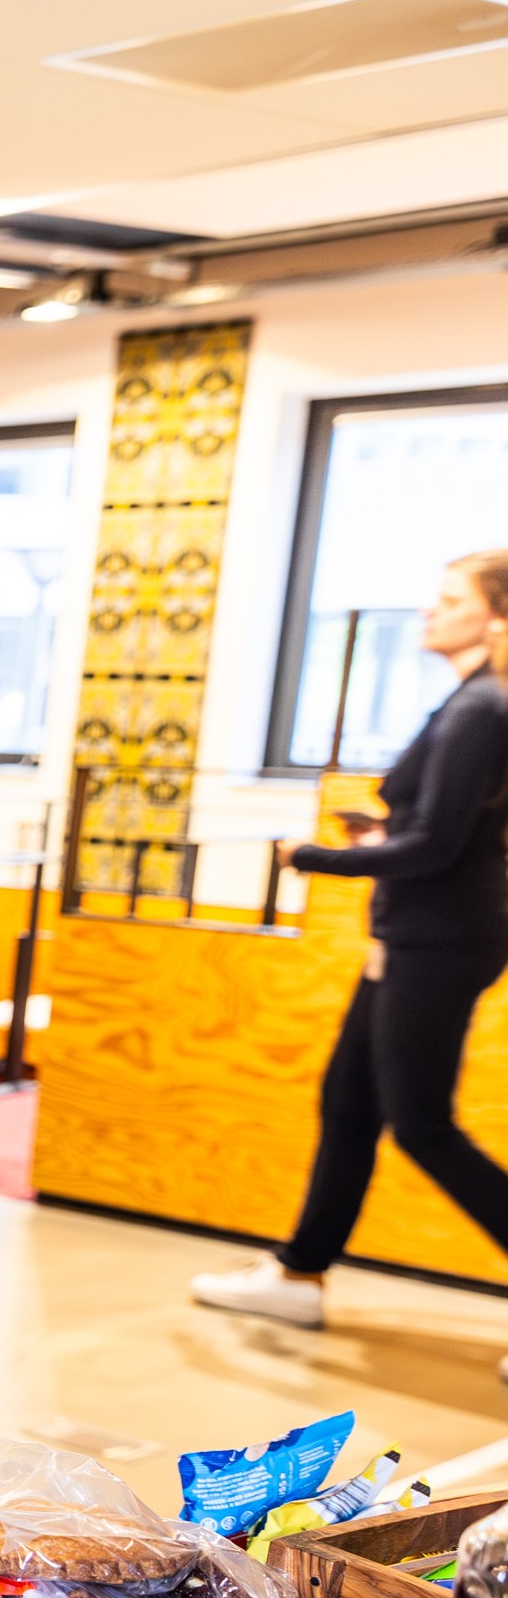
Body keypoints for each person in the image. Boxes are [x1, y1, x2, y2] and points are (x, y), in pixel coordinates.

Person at [193, 552, 508, 1354]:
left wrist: (312, 858)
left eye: (447, 600)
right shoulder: (471, 702)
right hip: (416, 931)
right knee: (348, 1100)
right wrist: (376, 841)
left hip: (438, 938)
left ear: (495, 615)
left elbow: (435, 847)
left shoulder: (482, 707)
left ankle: (299, 1270)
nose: (427, 613)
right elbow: (444, 835)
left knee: (421, 1125)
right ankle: (298, 1274)